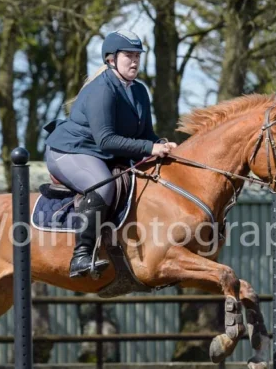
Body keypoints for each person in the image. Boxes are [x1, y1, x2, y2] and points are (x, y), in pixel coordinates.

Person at [44, 30, 178, 278]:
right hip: (70, 151)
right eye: (128, 55)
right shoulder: (102, 89)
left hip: (99, 153)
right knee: (102, 186)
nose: (135, 61)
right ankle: (81, 255)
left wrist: (162, 144)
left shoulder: (138, 91)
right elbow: (106, 140)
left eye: (138, 55)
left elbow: (145, 133)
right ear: (110, 59)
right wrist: (150, 148)